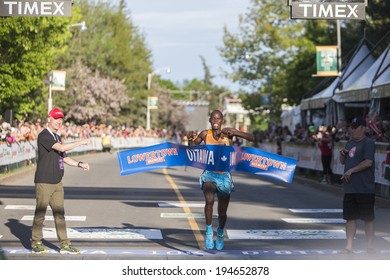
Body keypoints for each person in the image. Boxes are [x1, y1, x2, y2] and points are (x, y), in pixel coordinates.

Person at [186, 110, 254, 250]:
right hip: (209, 174)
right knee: (209, 201)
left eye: (218, 119)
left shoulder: (227, 134)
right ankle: (209, 231)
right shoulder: (205, 134)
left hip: (224, 176)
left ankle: (221, 232)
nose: (216, 121)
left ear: (222, 121)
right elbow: (192, 149)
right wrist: (190, 139)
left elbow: (251, 137)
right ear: (210, 120)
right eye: (213, 119)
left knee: (222, 212)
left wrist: (235, 132)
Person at [31, 108, 91, 254]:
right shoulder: (44, 135)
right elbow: (62, 148)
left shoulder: (57, 136)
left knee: (60, 215)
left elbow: (64, 156)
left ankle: (64, 244)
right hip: (44, 181)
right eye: (56, 118)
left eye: (61, 119)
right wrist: (81, 142)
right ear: (49, 118)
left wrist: (79, 164)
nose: (59, 121)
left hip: (57, 182)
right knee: (40, 213)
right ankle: (36, 242)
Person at [339, 117, 376, 254]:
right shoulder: (349, 143)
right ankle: (349, 246)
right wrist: (342, 155)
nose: (352, 130)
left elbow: (368, 162)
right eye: (352, 127)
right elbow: (343, 162)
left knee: (368, 218)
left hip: (365, 188)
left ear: (363, 128)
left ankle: (370, 246)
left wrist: (351, 170)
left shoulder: (368, 143)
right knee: (350, 218)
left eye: (356, 127)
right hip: (350, 188)